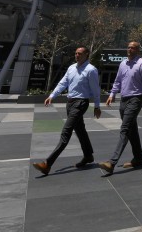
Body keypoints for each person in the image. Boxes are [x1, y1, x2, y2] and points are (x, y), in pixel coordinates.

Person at [32, 47, 101, 176]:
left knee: (66, 132)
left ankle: (47, 164)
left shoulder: (91, 70)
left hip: (81, 103)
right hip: (70, 103)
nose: (77, 55)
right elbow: (63, 83)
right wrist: (52, 96)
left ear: (86, 55)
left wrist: (97, 107)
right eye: (75, 53)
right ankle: (88, 156)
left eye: (80, 54)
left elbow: (96, 90)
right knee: (80, 130)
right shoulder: (71, 68)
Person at [98, 41, 142, 175]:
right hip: (123, 100)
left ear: (137, 50)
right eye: (128, 47)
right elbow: (118, 80)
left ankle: (112, 162)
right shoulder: (123, 63)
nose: (129, 49)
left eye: (133, 48)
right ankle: (138, 159)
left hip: (136, 99)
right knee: (131, 130)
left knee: (124, 129)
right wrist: (112, 94)